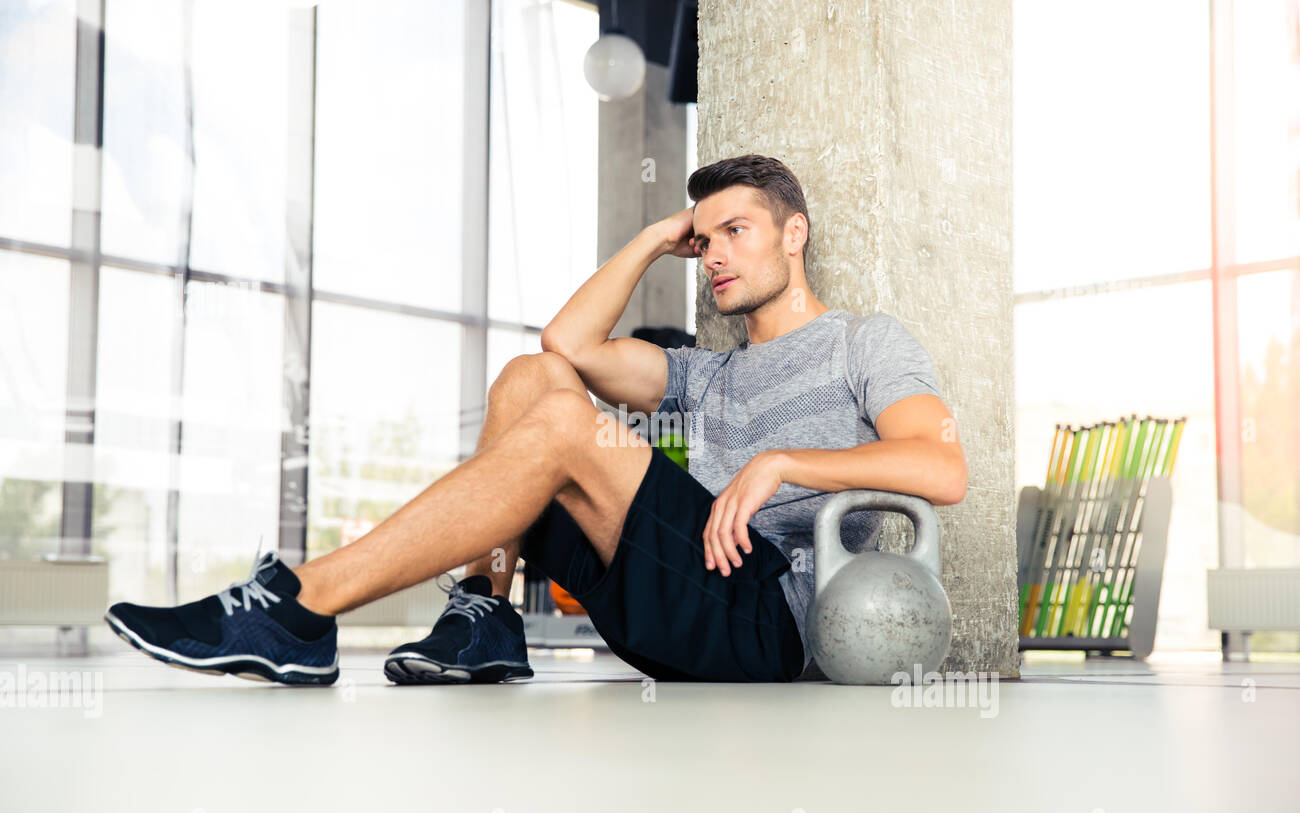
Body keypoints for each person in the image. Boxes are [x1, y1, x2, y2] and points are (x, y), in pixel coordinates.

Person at [104, 154, 967, 686]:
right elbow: (569, 342)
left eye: (736, 232)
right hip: (674, 593)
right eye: (704, 245)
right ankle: (483, 612)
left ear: (794, 235)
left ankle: (299, 607)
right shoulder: (707, 374)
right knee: (534, 376)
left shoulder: (861, 342)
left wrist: (782, 462)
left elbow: (943, 470)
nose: (715, 259)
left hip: (766, 617)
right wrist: (656, 236)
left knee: (560, 424)